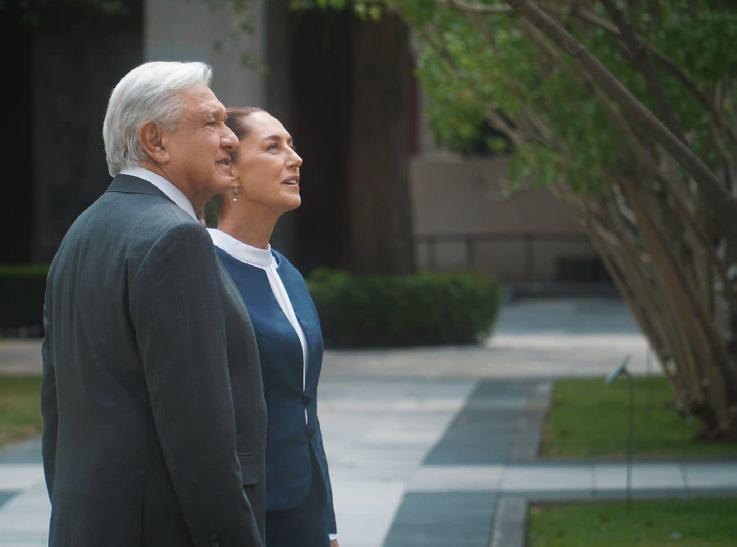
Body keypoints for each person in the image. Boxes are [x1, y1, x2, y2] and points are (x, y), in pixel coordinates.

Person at [41, 62, 267, 547]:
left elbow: (57, 413)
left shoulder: (81, 232)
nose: (230, 138)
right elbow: (199, 433)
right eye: (211, 122)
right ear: (155, 141)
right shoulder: (175, 238)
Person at [208, 107, 338, 547]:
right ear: (231, 170)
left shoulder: (288, 274)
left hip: (303, 507)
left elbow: (305, 407)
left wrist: (328, 522)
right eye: (273, 147)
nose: (295, 158)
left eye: (291, 145)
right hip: (242, 510)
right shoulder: (200, 268)